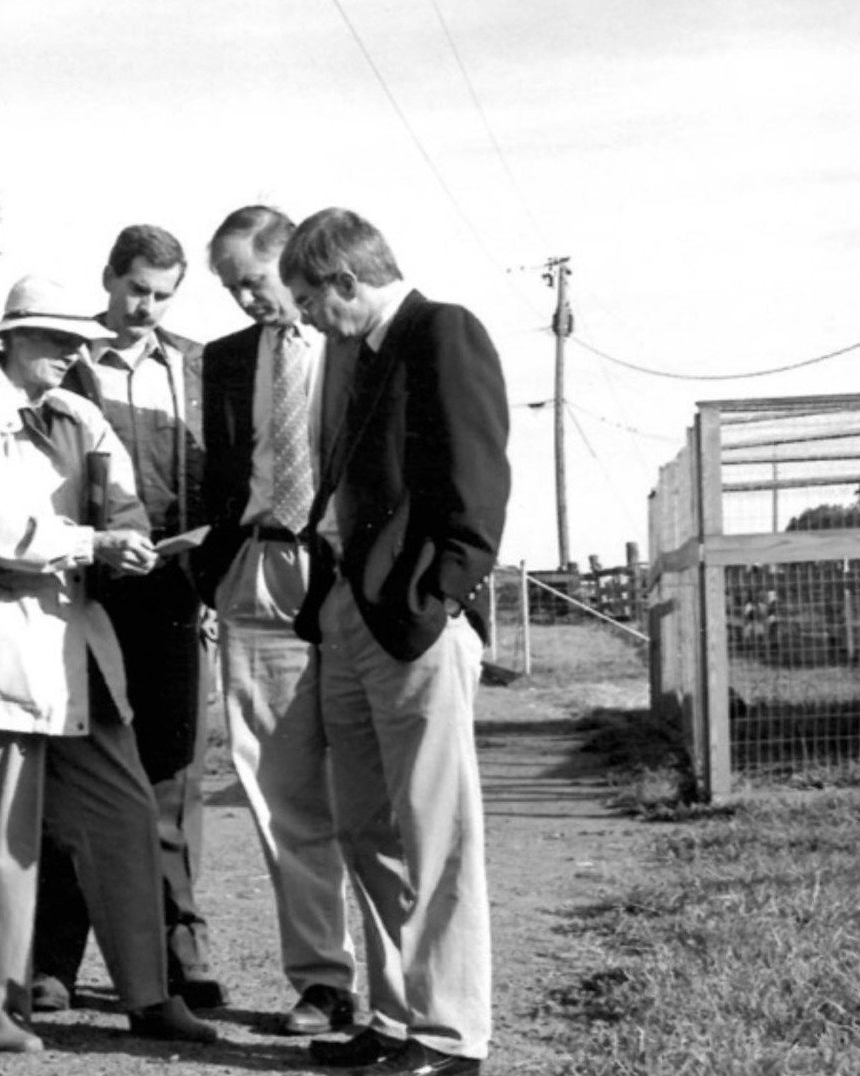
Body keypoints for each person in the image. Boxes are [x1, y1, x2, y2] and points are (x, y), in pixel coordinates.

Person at [0, 275, 219, 1054]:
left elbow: (120, 498)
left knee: (126, 820)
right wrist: (92, 540)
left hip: (79, 647)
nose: (71, 356)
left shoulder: (78, 413)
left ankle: (149, 995)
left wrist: (122, 542)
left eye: (78, 344)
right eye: (56, 341)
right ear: (13, 336)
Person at [280, 208, 511, 1076]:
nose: (304, 316)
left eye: (309, 298)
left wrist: (438, 600)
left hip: (411, 620)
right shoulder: (353, 353)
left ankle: (452, 1038)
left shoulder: (439, 331)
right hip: (346, 612)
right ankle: (395, 1016)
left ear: (344, 280)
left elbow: (477, 482)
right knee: (364, 826)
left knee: (436, 829)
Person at [32, 224, 226, 1011]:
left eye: (162, 295)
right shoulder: (65, 364)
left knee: (172, 774)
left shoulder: (199, 366)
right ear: (109, 279)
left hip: (175, 592)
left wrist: (208, 568)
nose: (145, 308)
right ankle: (53, 960)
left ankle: (181, 948)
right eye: (135, 290)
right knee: (75, 767)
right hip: (89, 592)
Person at [194, 205, 358, 1035]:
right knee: (279, 791)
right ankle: (323, 979)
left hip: (348, 576)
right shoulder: (223, 361)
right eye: (229, 289)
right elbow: (220, 474)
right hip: (257, 576)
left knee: (369, 785)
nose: (244, 301)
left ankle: (403, 991)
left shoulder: (355, 341)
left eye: (251, 281)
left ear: (289, 260)